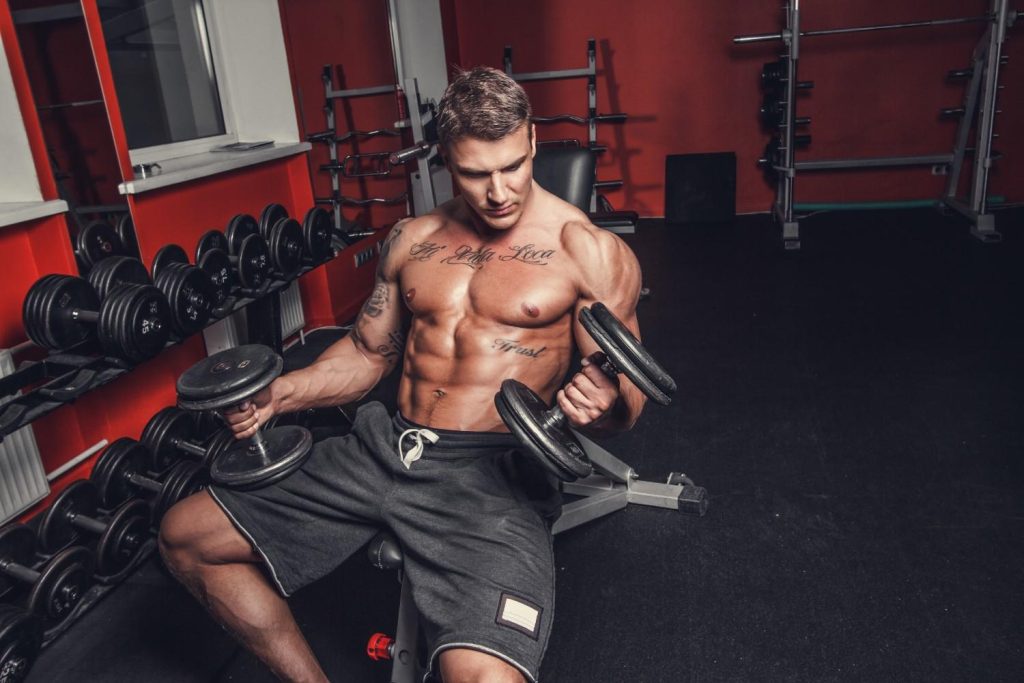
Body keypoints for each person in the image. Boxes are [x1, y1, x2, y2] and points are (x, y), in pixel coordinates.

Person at [159, 66, 647, 683]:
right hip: (384, 447)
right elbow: (366, 354)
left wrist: (604, 399)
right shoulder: (411, 240)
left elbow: (629, 392)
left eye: (512, 166)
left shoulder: (590, 252)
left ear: (531, 143)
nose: (499, 192)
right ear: (444, 160)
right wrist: (281, 394)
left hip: (491, 474)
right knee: (184, 535)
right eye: (475, 173)